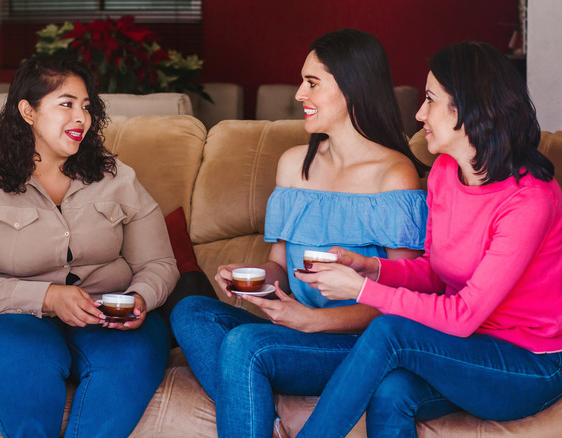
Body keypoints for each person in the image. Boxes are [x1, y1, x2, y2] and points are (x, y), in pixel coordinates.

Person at [295, 41, 562, 438]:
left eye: (429, 100)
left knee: (388, 330)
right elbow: (435, 271)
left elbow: (462, 316)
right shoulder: (446, 170)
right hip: (466, 351)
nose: (418, 113)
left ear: (466, 109)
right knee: (391, 392)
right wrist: (372, 269)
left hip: (530, 365)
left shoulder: (529, 200)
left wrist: (362, 291)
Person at [170, 29, 429, 438]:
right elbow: (278, 267)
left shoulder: (393, 175)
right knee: (190, 312)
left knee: (245, 346)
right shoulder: (295, 166)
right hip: (293, 334)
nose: (298, 95)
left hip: (358, 346)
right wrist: (255, 282)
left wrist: (312, 322)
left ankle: (252, 400)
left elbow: (408, 302)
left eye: (312, 83)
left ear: (352, 87)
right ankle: (265, 419)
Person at [0, 56, 179, 438]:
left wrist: (140, 298)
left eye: (86, 107)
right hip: (3, 321)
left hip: (103, 318)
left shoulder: (117, 176)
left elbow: (160, 262)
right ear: (28, 111)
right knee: (26, 357)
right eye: (66, 104)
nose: (80, 117)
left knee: (133, 355)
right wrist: (47, 297)